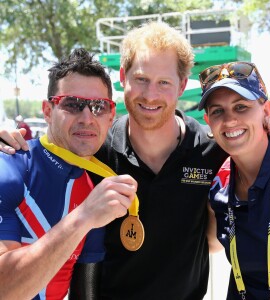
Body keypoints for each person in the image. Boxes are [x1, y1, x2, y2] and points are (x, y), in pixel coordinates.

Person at [0, 22, 229, 299]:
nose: (151, 94)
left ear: (182, 85)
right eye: (142, 79)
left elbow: (216, 242)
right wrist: (7, 141)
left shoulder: (212, 151)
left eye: (164, 83)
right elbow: (46, 149)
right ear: (123, 77)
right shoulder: (91, 152)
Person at [0, 48, 137, 300]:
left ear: (111, 115)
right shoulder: (8, 167)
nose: (87, 117)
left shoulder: (95, 184)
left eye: (98, 106)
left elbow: (86, 291)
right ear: (48, 111)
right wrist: (83, 217)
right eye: (72, 104)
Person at [198, 61, 270, 299]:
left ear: (266, 111)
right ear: (208, 121)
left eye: (241, 107)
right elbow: (211, 244)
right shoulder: (218, 186)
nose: (230, 120)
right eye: (218, 111)